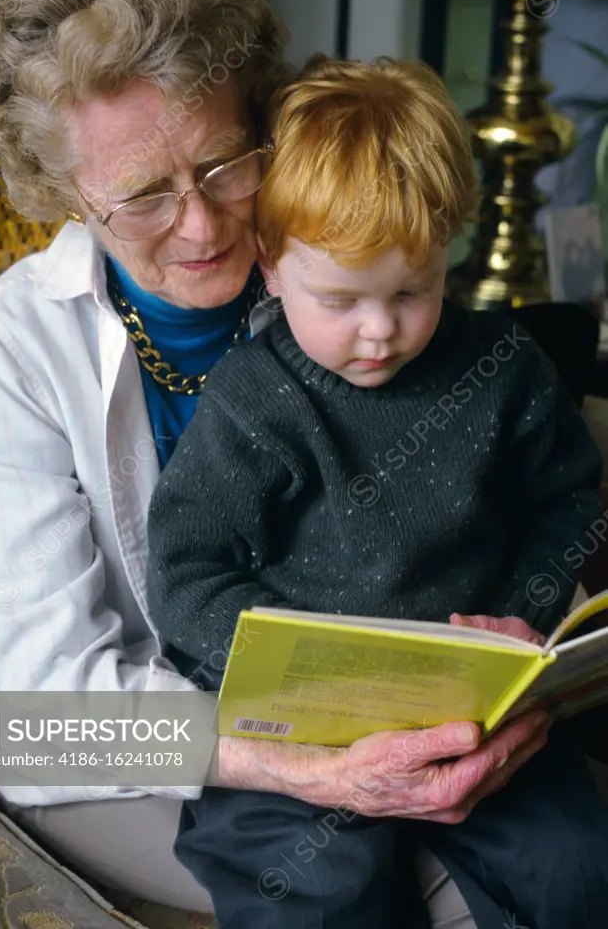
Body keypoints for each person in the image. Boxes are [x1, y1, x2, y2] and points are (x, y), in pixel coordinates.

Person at [0, 0, 579, 927]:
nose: (201, 224)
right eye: (143, 195)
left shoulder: (334, 282)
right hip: (85, 734)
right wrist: (312, 770)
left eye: (225, 164)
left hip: (364, 700)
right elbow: (50, 691)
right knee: (374, 884)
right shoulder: (5, 344)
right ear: (64, 193)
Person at [145, 56, 608, 928]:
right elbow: (185, 572)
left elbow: (568, 507)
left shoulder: (505, 371)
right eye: (341, 298)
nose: (380, 330)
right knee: (318, 891)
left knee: (578, 868)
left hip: (473, 710)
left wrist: (523, 613)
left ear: (448, 256)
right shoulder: (255, 400)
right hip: (302, 723)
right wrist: (293, 665)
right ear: (273, 267)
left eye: (413, 290)